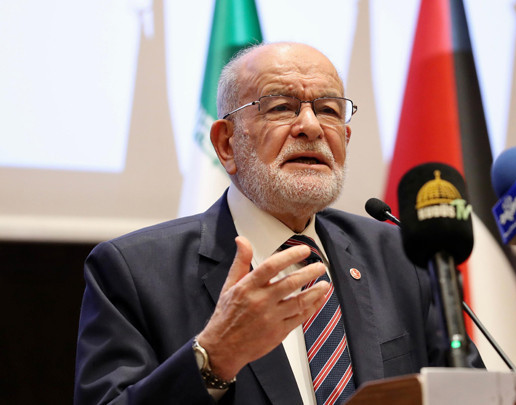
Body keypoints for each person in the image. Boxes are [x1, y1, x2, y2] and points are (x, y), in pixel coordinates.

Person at [74, 42, 483, 405]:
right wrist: (215, 356)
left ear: (345, 138)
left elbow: (468, 392)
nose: (311, 126)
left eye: (328, 110)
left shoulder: (400, 256)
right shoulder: (134, 272)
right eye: (281, 107)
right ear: (226, 144)